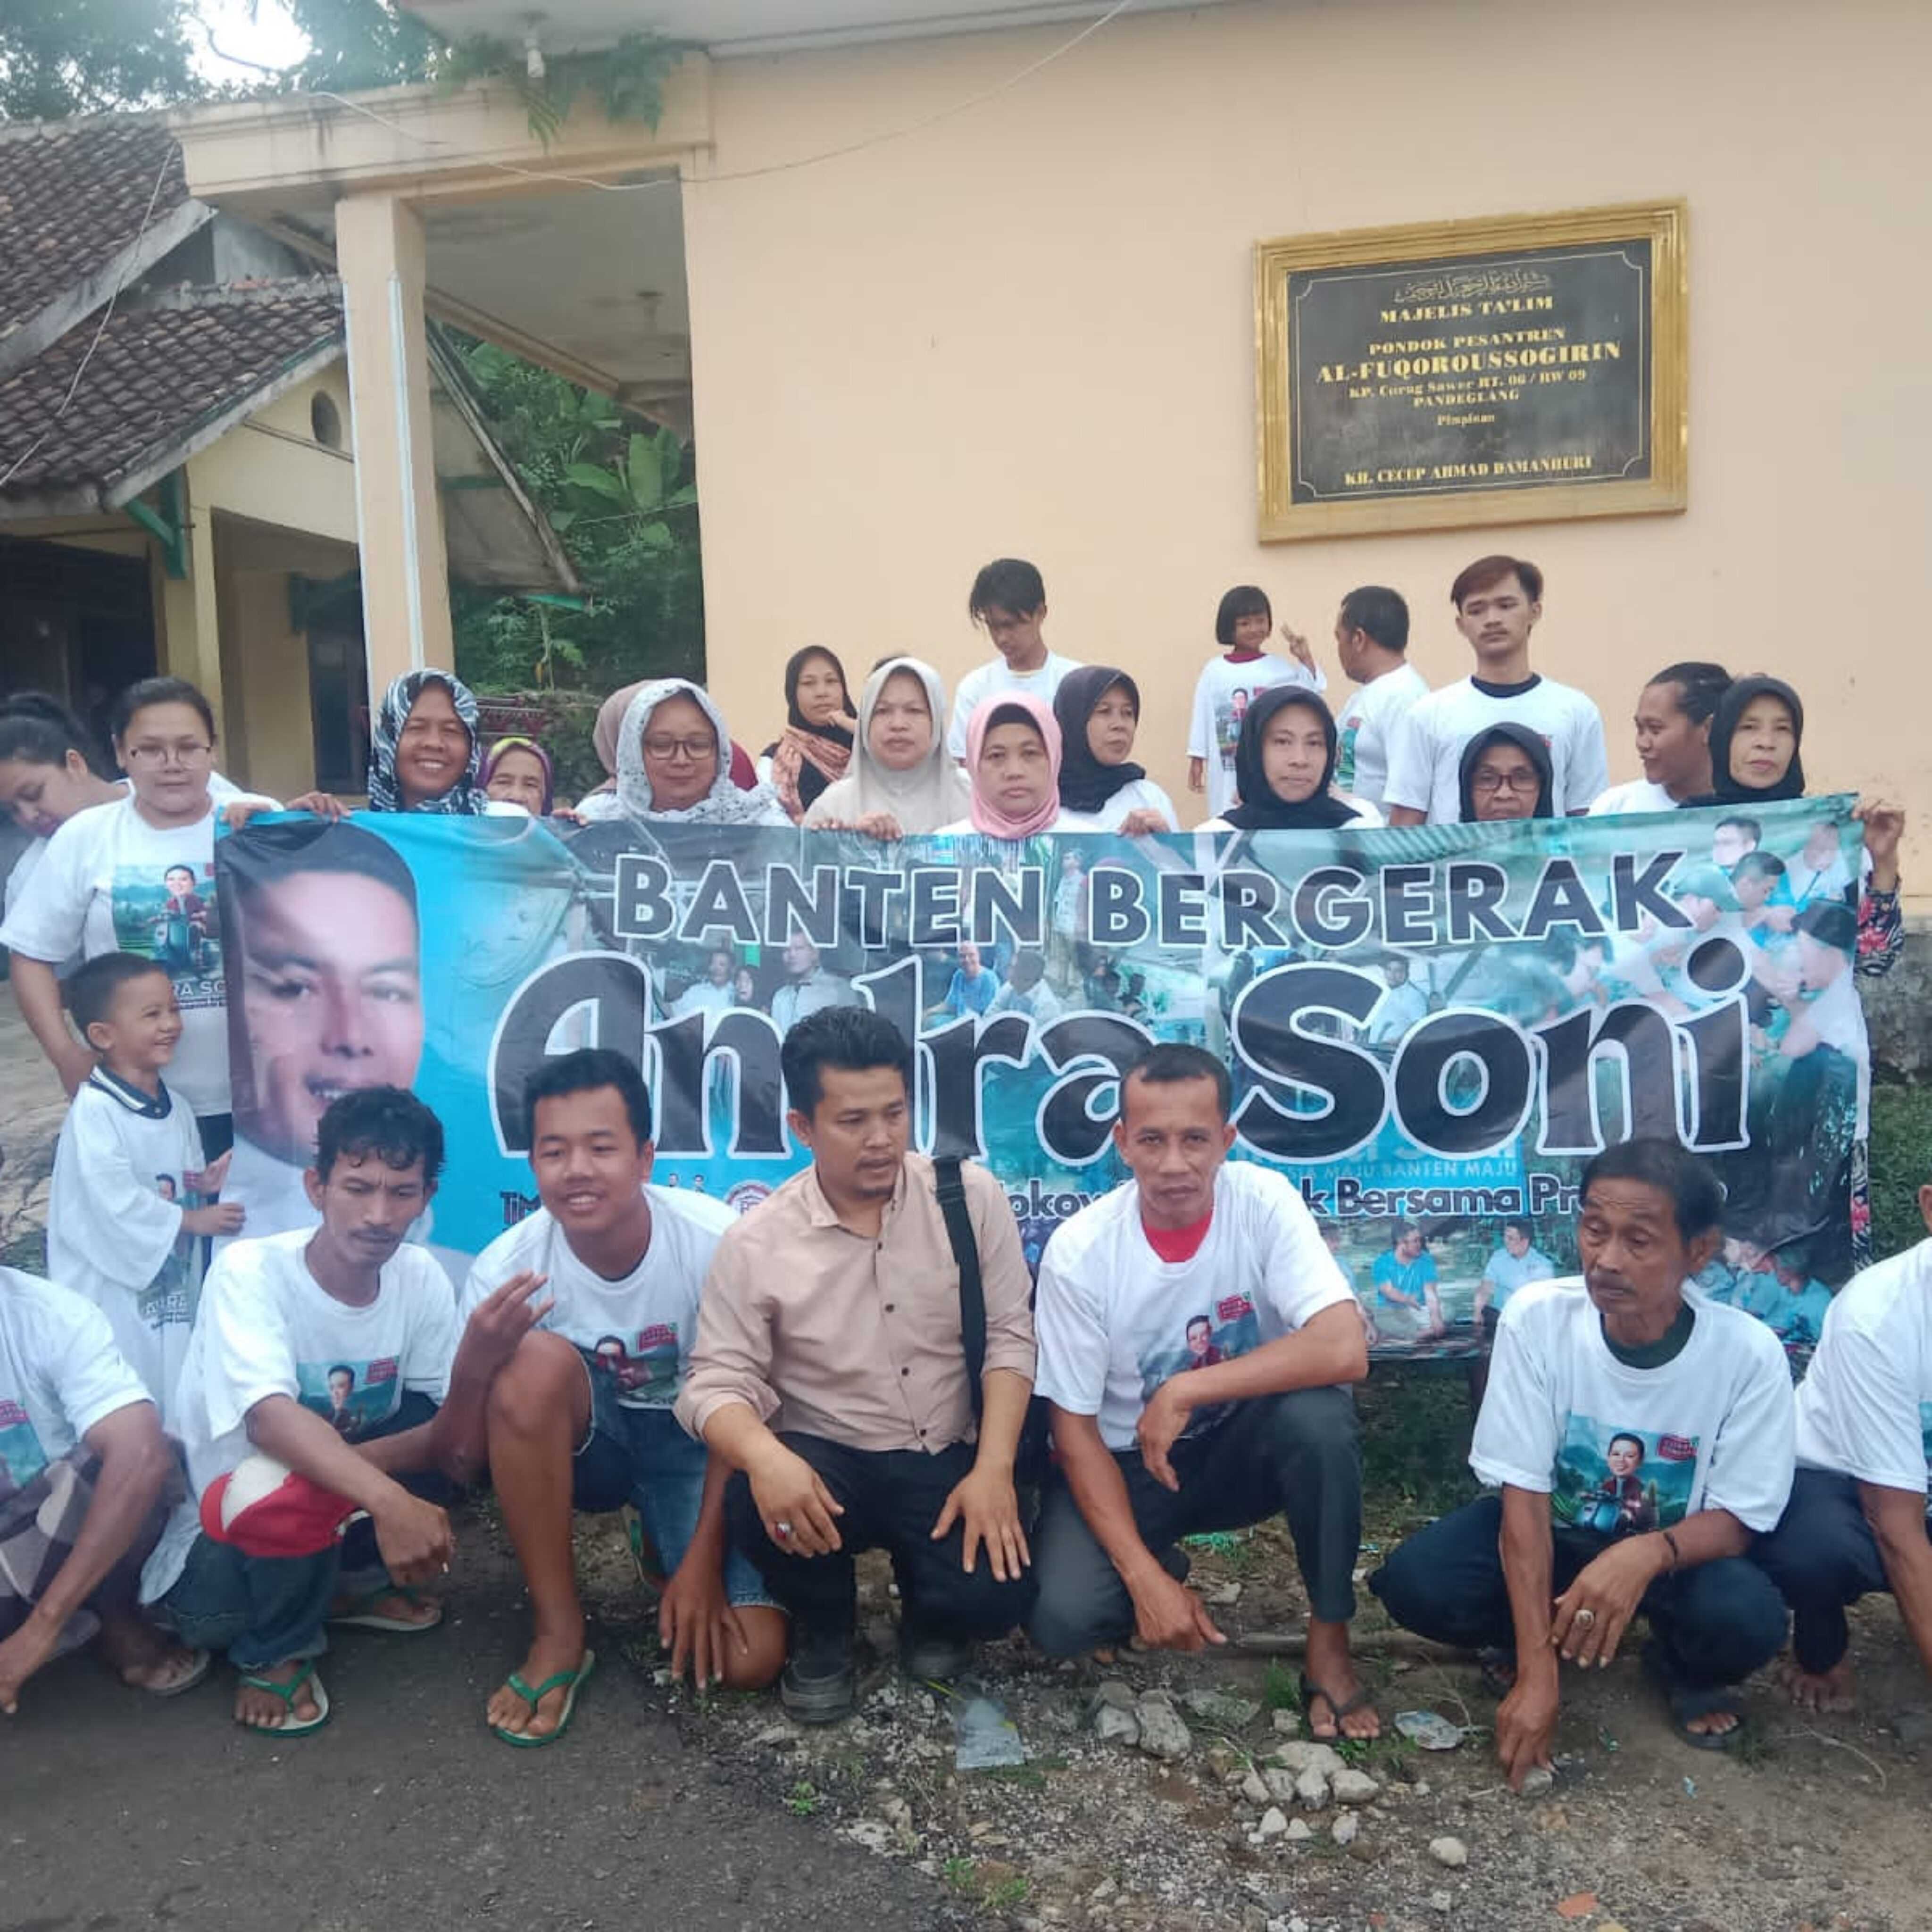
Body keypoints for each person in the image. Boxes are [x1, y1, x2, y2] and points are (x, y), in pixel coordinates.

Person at [1369, 1139, 1794, 1768]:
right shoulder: (1538, 1320)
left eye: (1639, 1241)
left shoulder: (1748, 1355)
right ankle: (1532, 1640)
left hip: (1674, 1561)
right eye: (1595, 1231)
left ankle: (1676, 1662)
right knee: (1418, 1583)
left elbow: (1738, 1520)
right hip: (1559, 1539)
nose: (1607, 1260)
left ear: (1698, 1252)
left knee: (1749, 1618)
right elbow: (1524, 1500)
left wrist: (1643, 1554)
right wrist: (1538, 1679)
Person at [679, 1007, 1037, 1722]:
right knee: (759, 1497)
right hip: (829, 1465)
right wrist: (764, 1456)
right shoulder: (757, 1244)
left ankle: (930, 1612)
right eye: (852, 1122)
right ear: (802, 1128)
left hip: (945, 1453)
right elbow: (712, 1386)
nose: (880, 1140)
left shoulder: (971, 1200)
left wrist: (994, 1470)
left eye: (895, 1113)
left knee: (996, 1600)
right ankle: (826, 1628)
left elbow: (1009, 1338)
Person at [140, 1088, 512, 1737]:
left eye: (402, 1192)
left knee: (440, 1423)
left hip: (324, 1513)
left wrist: (478, 1365)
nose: (378, 1214)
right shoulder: (250, 1272)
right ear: (317, 1187)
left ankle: (344, 1587)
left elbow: (448, 1430)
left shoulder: (419, 1276)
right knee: (288, 1473)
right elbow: (267, 1421)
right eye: (358, 1187)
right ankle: (274, 1649)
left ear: (426, 1198)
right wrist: (387, 1500)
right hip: (221, 1562)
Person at [1028, 1045, 1375, 1736]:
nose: (1174, 1164)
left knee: (1321, 1420)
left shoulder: (1263, 1202)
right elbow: (1072, 1433)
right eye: (1152, 1140)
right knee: (1060, 1620)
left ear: (1228, 1140)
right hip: (1131, 1466)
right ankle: (1156, 1564)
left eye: (1195, 1140)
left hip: (1239, 1448)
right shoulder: (1081, 1252)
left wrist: (1187, 1390)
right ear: (1122, 1143)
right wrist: (1143, 1580)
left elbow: (1344, 1345)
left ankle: (1330, 1643)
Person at [462, 1051, 787, 1745]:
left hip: (698, 1445)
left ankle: (662, 1545)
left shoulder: (714, 1244)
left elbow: (750, 1403)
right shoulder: (507, 1271)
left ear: (644, 1158)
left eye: (601, 1147)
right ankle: (559, 1631)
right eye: (555, 1151)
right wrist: (477, 1361)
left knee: (750, 1657)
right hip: (592, 1450)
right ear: (534, 1166)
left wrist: (699, 1563)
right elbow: (461, 1460)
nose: (577, 1169)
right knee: (532, 1364)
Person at [1, 676, 279, 1155]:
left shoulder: (258, 820)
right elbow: (30, 954)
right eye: (150, 749)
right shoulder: (86, 838)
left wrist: (312, 823)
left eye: (188, 747)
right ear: (121, 753)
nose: (172, 764)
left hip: (264, 1093)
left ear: (212, 751)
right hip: (138, 1098)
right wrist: (66, 1054)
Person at [1753, 1178, 1932, 1715]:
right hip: (1840, 1484)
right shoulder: (1877, 1317)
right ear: (1929, 1206)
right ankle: (1821, 1651)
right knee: (1817, 1553)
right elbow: (1894, 1524)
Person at [0, 1264, 208, 1714]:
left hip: (40, 1533)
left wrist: (41, 1628)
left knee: (146, 1453)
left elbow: (142, 1456)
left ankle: (108, 1615)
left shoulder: (51, 1317)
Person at [47, 954, 243, 1413]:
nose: (171, 1023)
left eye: (173, 1010)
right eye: (152, 1014)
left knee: (175, 1373)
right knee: (127, 1377)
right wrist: (194, 1218)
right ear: (103, 1035)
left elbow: (178, 1177)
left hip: (168, 1276)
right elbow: (109, 1201)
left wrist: (204, 1181)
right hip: (116, 1285)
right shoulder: (95, 1112)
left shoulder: (176, 1105)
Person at [220, 819, 425, 1242]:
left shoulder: (468, 1274)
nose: (350, 1037)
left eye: (386, 992)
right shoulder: (223, 1264)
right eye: (296, 988)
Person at [1683, 675, 1903, 977]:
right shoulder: (1679, 835)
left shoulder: (1834, 834)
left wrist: (1884, 863)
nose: (1766, 742)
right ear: (1721, 736)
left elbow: (1875, 962)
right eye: (1748, 727)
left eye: (1783, 729)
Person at [0, 695, 249, 961]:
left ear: (75, 764)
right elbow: (42, 972)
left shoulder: (209, 788)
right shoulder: (31, 875)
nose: (28, 815)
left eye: (33, 793)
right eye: (11, 810)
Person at [1383, 557, 1608, 825]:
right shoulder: (1427, 715)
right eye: (1477, 610)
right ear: (1461, 624)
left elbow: (1587, 822)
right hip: (1452, 867)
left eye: (1506, 606)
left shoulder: (1577, 711)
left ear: (1535, 611)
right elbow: (1406, 822)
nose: (1492, 620)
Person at [1186, 586, 1327, 819]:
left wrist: (1305, 658)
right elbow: (1202, 713)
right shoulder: (1214, 670)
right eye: (1245, 623)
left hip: (1264, 762)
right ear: (1229, 627)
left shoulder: (1278, 668)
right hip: (1226, 762)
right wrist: (1197, 757)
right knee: (1226, 813)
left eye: (1260, 621)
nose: (1254, 629)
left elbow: (1308, 694)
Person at [803, 655, 970, 839]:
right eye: (883, 711)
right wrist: (847, 846)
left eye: (914, 711)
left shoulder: (974, 800)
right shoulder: (833, 807)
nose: (898, 724)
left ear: (936, 721)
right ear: (866, 721)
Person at [947, 558, 1082, 761]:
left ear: (1040, 614)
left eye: (1011, 625)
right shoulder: (975, 688)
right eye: (993, 626)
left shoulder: (1075, 683)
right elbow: (964, 766)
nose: (1002, 638)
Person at [1197, 688, 1382, 833]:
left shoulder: (1360, 833)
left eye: (1314, 743)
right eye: (1282, 742)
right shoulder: (1216, 840)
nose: (1300, 760)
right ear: (1254, 751)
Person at [612, 680, 791, 826]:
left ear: (720, 752)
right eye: (662, 745)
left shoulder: (763, 827)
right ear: (634, 752)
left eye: (698, 745)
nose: (681, 760)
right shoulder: (602, 824)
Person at [1588, 662, 1731, 814]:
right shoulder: (1614, 809)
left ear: (1709, 729)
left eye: (1655, 729)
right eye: (1640, 729)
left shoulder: (1748, 810)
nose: (1642, 744)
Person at [1331, 586, 1428, 809]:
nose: (1338, 649)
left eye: (1339, 638)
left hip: (1379, 840)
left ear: (1358, 639)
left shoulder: (1404, 698)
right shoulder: (1368, 694)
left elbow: (1409, 801)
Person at [1052, 667, 1178, 834]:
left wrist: (1165, 841)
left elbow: (1179, 860)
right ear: (1073, 720)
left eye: (1128, 713)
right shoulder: (1042, 804)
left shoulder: (1149, 798)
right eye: (1104, 711)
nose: (1119, 725)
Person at [941, 694, 1065, 839]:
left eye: (1030, 753)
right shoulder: (940, 850)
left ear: (1054, 759)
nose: (1014, 772)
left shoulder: (1091, 849)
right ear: (974, 766)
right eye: (997, 756)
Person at [761, 647, 855, 822]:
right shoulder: (775, 761)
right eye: (809, 683)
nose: (822, 692)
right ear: (793, 694)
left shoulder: (870, 748)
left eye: (831, 681)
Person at [1457, 724, 1555, 823]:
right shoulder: (1443, 838)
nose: (1504, 794)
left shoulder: (1568, 838)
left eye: (1522, 778)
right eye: (1487, 779)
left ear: (1542, 788)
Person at [1474, 1221, 1557, 1333]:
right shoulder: (1498, 1258)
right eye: (1505, 1237)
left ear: (1525, 1242)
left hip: (1528, 1322)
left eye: (1511, 1238)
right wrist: (1478, 1312)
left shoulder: (1543, 1265)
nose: (1506, 1242)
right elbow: (1486, 1287)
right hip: (1499, 1319)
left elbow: (1543, 1303)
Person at [1370, 1223, 1444, 1342]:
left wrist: (1436, 1317)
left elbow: (1430, 1291)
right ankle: (1425, 1332)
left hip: (1419, 1310)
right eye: (1415, 1241)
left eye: (1420, 1240)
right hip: (1392, 1311)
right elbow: (1388, 1291)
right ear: (1402, 1244)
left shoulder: (1426, 1259)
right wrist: (1408, 1300)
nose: (1419, 1245)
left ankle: (1413, 1334)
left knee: (1449, 1311)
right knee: (1382, 1320)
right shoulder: (1382, 1262)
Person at [769, 932, 857, 1030]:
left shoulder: (838, 988)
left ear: (815, 953)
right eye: (786, 950)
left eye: (799, 948)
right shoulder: (780, 996)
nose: (792, 955)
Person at [482, 736, 557, 816]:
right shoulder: (467, 826)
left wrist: (566, 825)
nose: (516, 797)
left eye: (530, 785)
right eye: (503, 782)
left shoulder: (556, 828)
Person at [988, 949, 1065, 1024]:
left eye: (1012, 967)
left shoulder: (1046, 1006)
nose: (1007, 969)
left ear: (1026, 974)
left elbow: (1038, 1035)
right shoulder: (1011, 986)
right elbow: (991, 1015)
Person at [927, 940, 999, 1021]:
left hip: (979, 1025)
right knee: (932, 1022)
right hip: (960, 1022)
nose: (967, 960)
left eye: (971, 955)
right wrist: (929, 1012)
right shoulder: (959, 975)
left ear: (979, 956)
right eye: (962, 956)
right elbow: (950, 1005)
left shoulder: (989, 978)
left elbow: (991, 1013)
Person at [1365, 956, 1429, 1046]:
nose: (1392, 975)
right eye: (1389, 970)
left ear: (1406, 973)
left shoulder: (1413, 995)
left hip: (1395, 1052)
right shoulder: (1381, 993)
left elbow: (1419, 1024)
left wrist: (1399, 1040)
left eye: (1398, 971)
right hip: (1374, 1049)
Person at [672, 948, 739, 1020]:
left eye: (722, 965)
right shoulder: (695, 991)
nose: (716, 969)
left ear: (732, 969)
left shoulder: (737, 994)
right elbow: (673, 1012)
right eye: (713, 964)